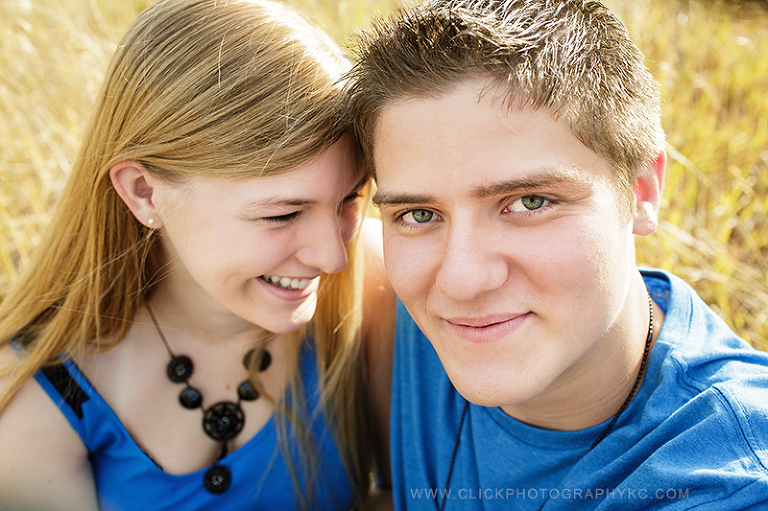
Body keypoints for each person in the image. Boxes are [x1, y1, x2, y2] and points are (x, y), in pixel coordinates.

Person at [346, 0, 768, 509]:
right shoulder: (387, 296)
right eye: (418, 214)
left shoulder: (726, 484)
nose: (461, 281)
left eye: (529, 202)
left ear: (642, 190)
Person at [0, 0, 395, 509]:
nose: (333, 257)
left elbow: (406, 493)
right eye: (282, 215)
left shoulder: (373, 280)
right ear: (144, 192)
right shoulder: (36, 400)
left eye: (349, 200)